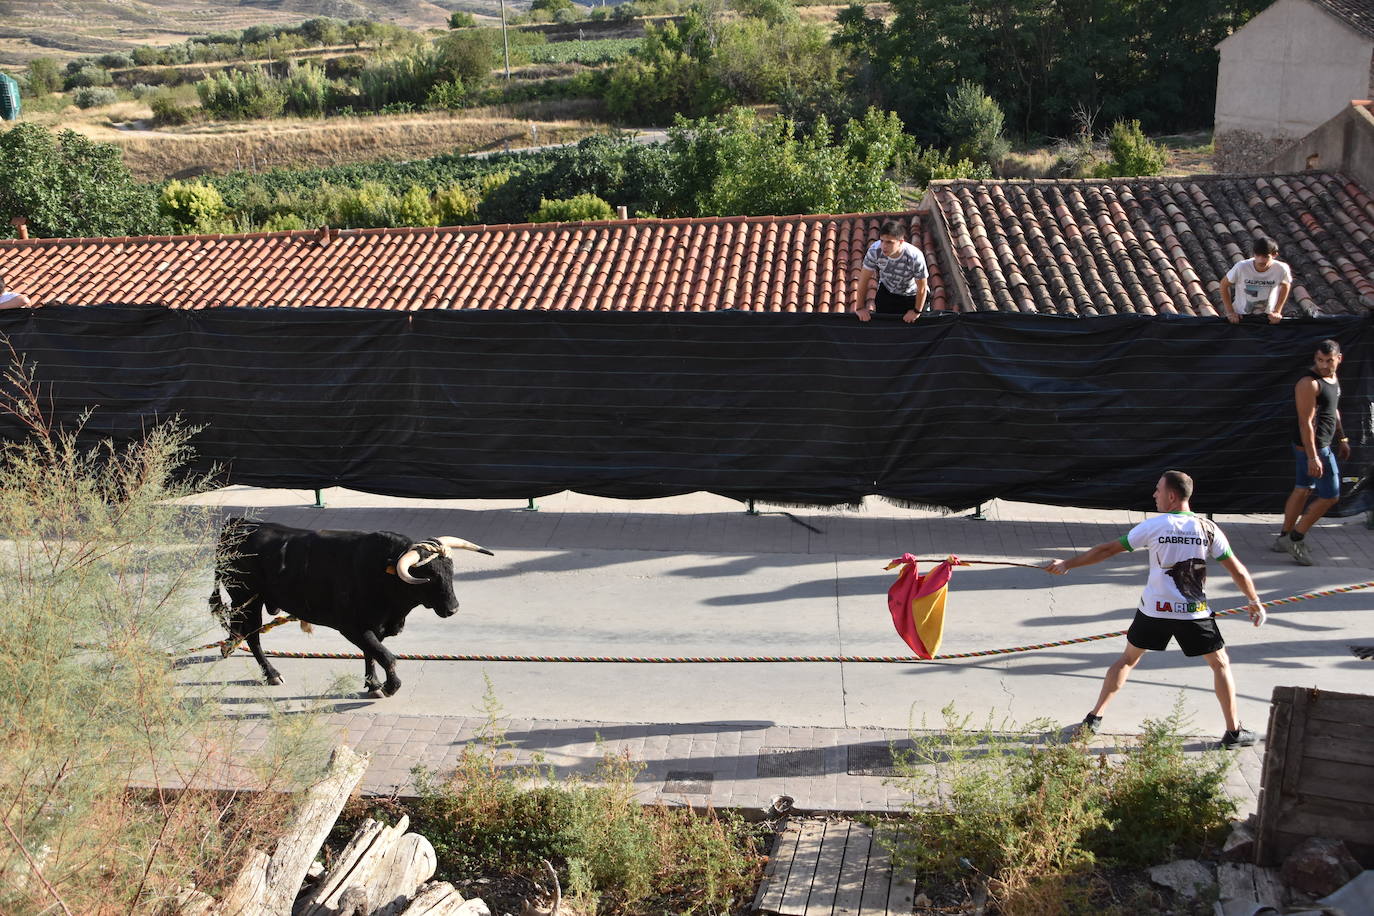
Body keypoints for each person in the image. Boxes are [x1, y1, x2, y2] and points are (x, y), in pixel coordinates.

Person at [1043, 470, 1265, 748]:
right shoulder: (1207, 528)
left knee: (1127, 660)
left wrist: (1068, 564)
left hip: (1154, 612)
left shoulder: (1155, 526)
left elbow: (1108, 550)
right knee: (1220, 665)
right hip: (1193, 613)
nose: (1154, 495)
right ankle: (1233, 733)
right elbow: (1238, 570)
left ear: (1171, 496)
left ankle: (1093, 720)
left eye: (1158, 490)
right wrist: (1253, 600)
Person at [1274, 339, 1349, 565]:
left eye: (1328, 361)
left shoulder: (1332, 379)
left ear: (1339, 358)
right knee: (1331, 495)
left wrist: (1342, 437)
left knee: (1302, 489)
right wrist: (1313, 456)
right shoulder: (1308, 383)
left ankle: (1284, 537)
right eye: (1319, 360)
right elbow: (1305, 423)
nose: (1324, 365)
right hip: (1314, 448)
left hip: (1321, 445)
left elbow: (1333, 410)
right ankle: (1296, 538)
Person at [854, 219, 928, 323]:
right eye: (882, 241)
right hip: (887, 291)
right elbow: (863, 279)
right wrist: (860, 308)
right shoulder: (875, 251)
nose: (884, 246)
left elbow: (922, 287)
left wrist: (916, 311)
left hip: (912, 295)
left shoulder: (914, 257)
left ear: (900, 242)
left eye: (889, 242)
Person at [1220, 237, 1291, 324]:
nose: (1260, 260)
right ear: (1254, 254)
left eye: (1265, 256)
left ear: (1274, 255)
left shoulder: (1281, 269)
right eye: (1257, 255)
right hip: (1241, 318)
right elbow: (1223, 285)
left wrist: (1277, 311)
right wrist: (1230, 312)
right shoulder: (1241, 267)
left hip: (1267, 318)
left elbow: (1286, 285)